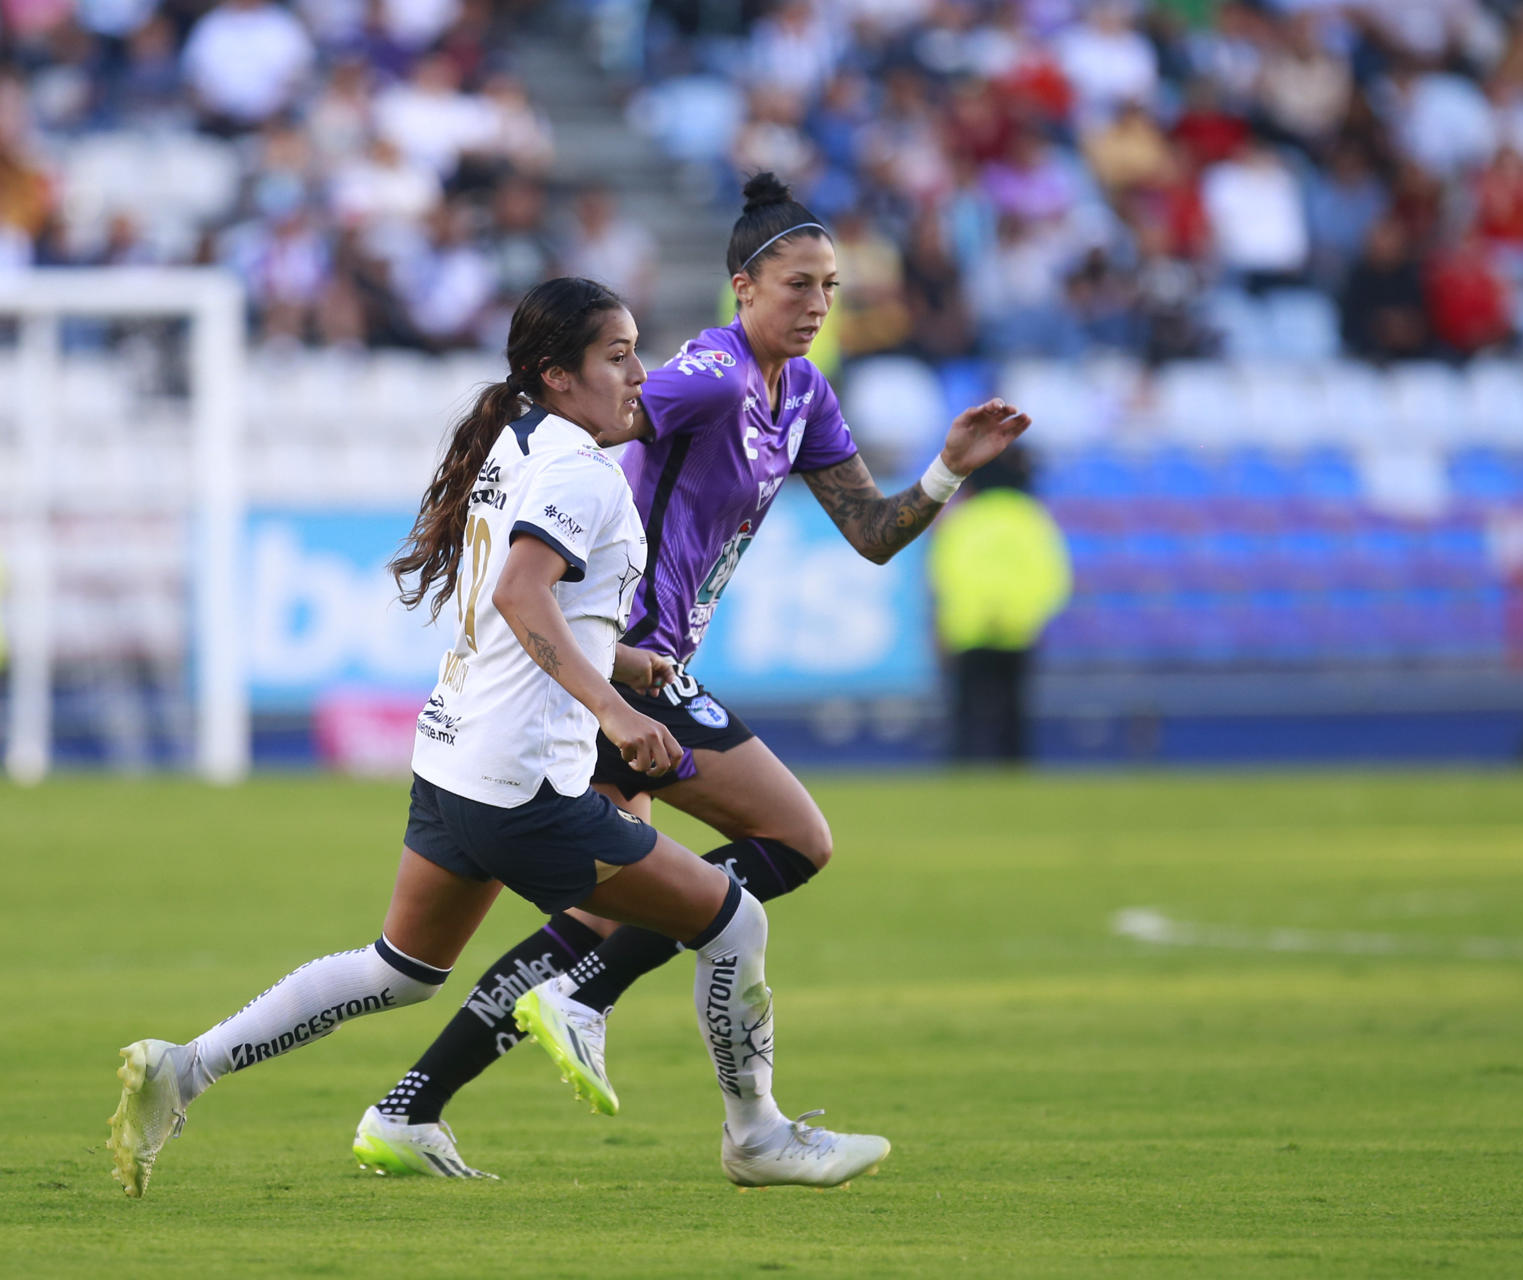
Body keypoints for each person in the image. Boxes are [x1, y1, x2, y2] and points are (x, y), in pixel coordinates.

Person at [107, 277, 890, 1196]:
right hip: (527, 786)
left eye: (638, 349)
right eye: (618, 355)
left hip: (452, 760)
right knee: (734, 918)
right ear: (558, 375)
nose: (641, 373)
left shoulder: (518, 441)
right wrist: (615, 710)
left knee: (398, 970)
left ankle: (183, 1067)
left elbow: (532, 600)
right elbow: (521, 593)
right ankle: (754, 1134)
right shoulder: (581, 471)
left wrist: (626, 665)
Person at [352, 173, 1031, 1176]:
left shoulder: (801, 394)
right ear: (742, 285)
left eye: (831, 287)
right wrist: (511, 532)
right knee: (789, 839)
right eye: (798, 284)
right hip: (620, 659)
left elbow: (873, 533)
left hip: (654, 663)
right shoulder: (705, 377)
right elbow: (589, 419)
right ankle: (649, 1060)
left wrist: (945, 470)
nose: (816, 305)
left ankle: (414, 1102)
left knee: (605, 906)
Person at [926, 447, 1072, 761]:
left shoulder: (962, 519)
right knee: (1013, 711)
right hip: (1018, 630)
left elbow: (945, 574)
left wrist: (960, 617)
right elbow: (1051, 578)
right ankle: (1014, 770)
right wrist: (1026, 614)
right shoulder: (1032, 519)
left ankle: (963, 769)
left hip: (969, 630)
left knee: (966, 712)